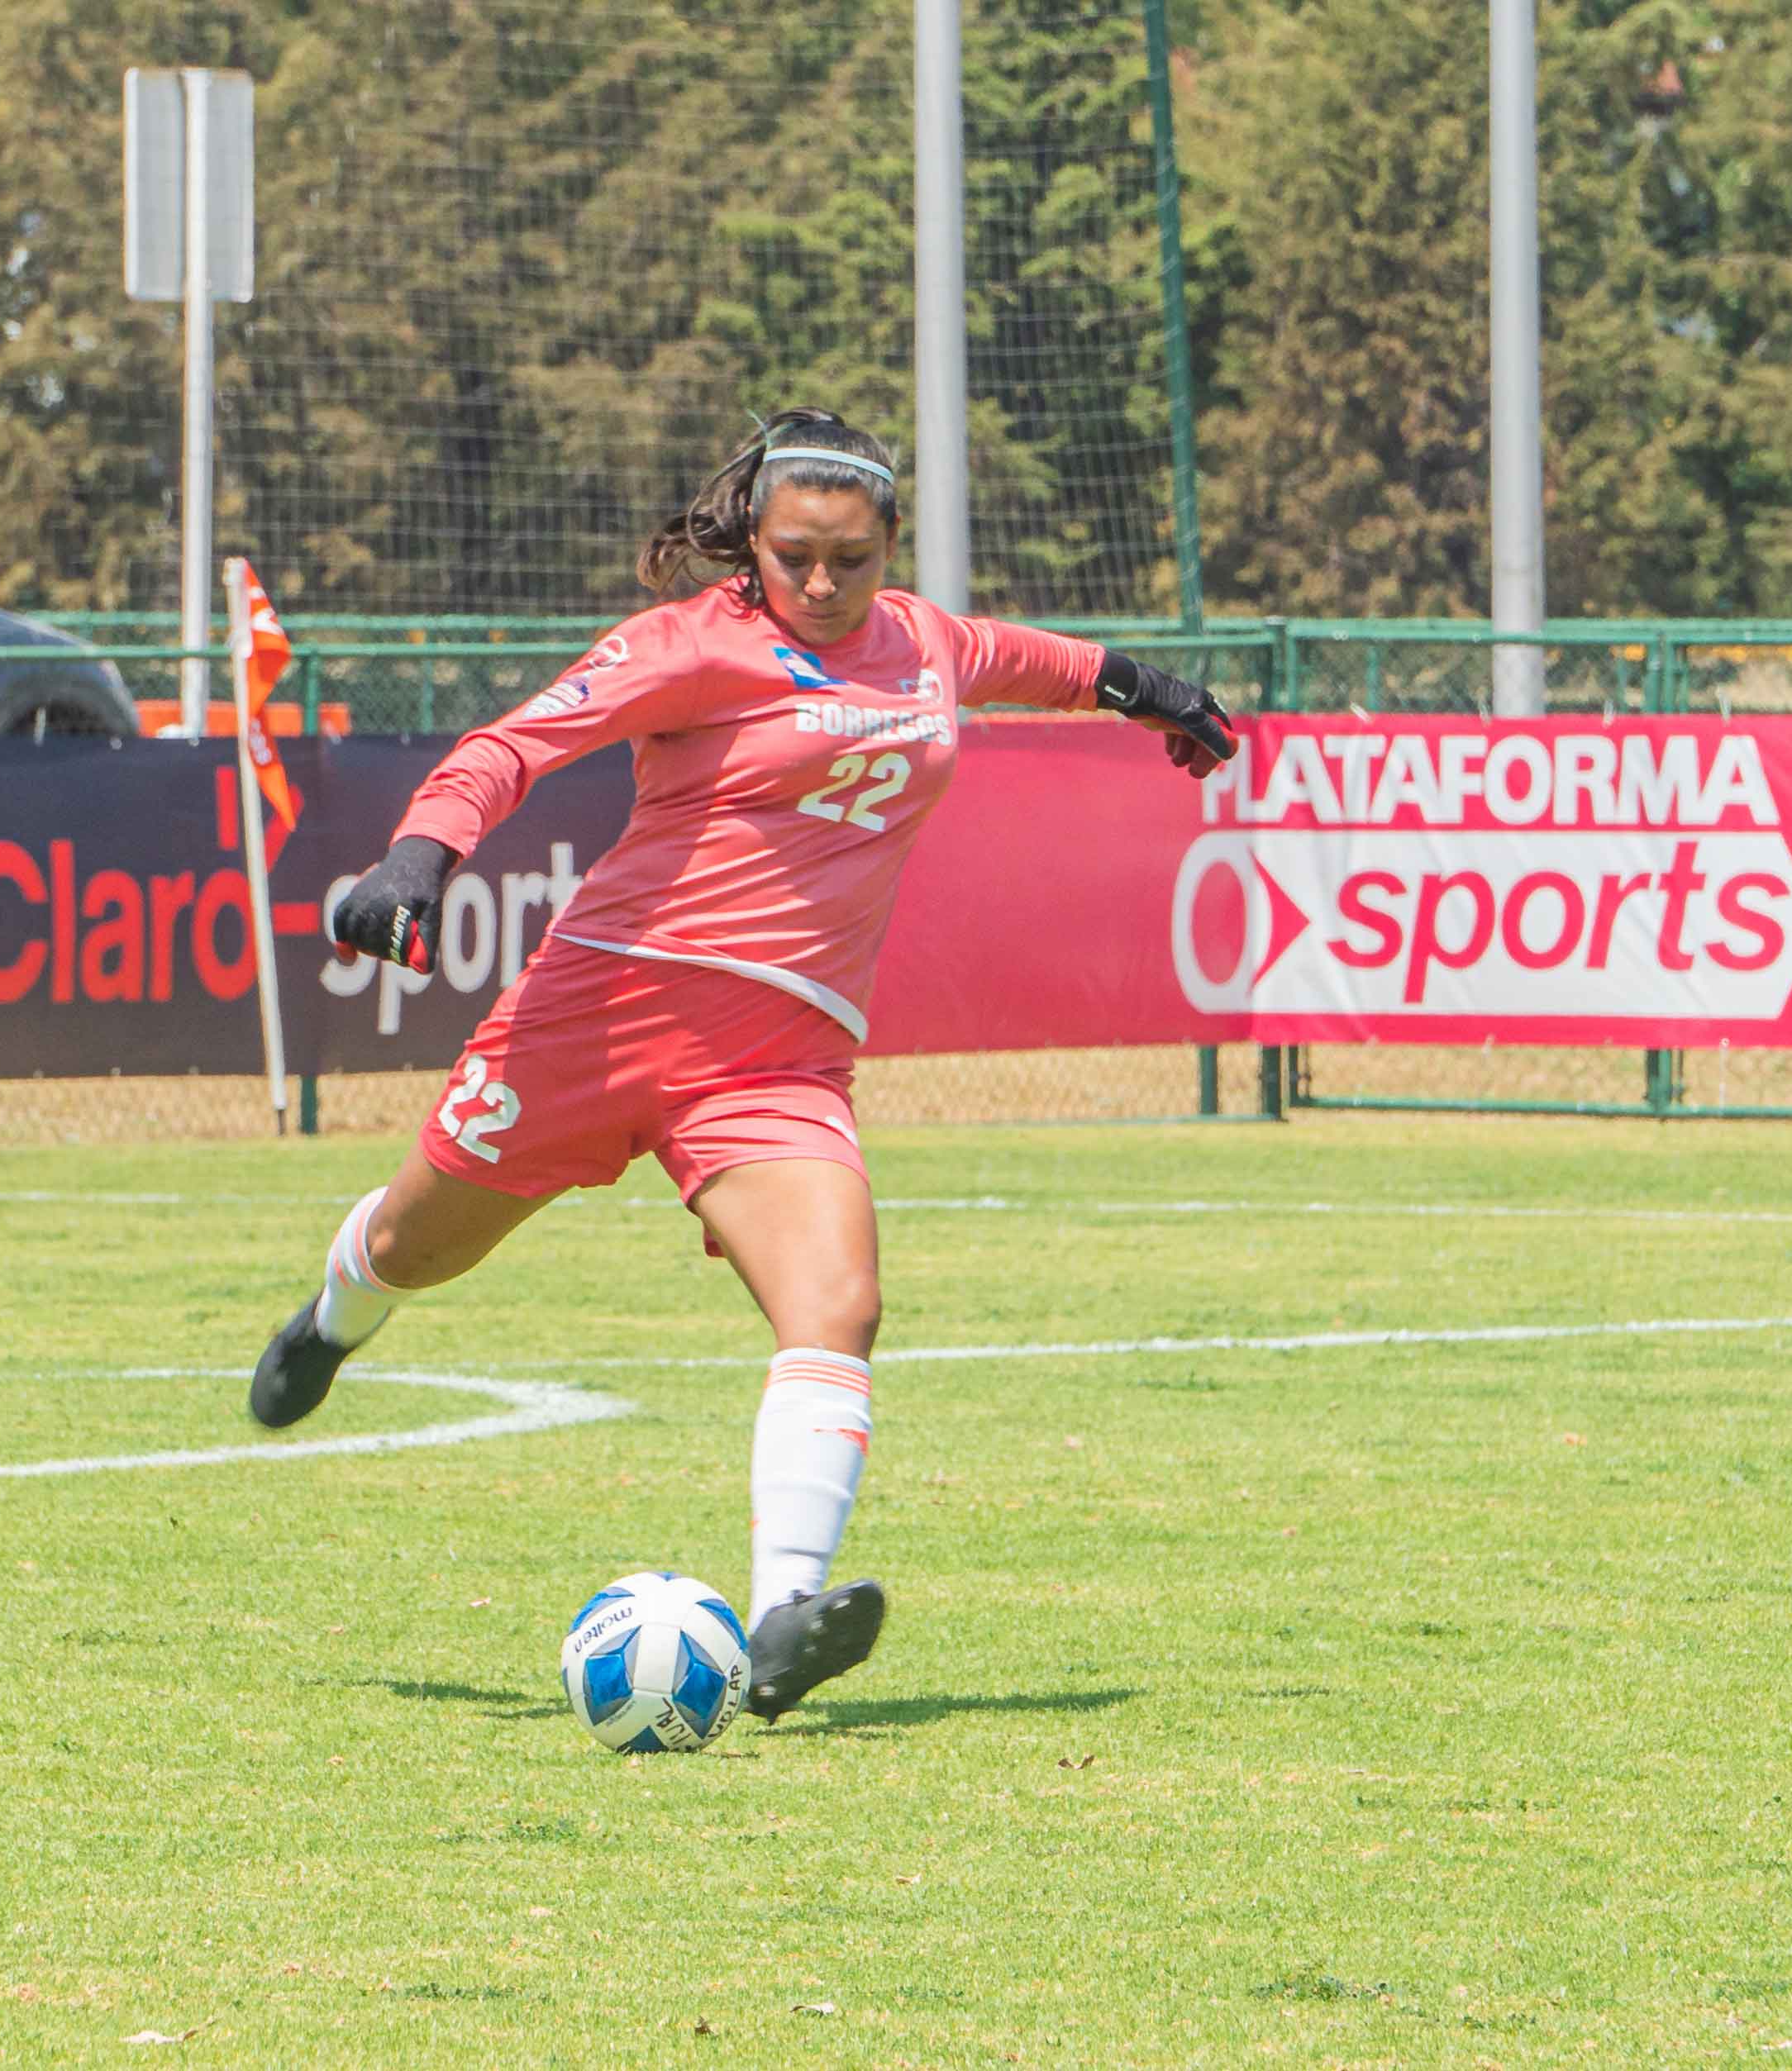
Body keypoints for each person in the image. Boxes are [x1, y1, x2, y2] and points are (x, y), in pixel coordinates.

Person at [250, 407, 1237, 1721]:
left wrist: (1151, 692)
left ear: (891, 539)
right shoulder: (692, 643)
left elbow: (1033, 661)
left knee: (837, 1304)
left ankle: (781, 1616)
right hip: (597, 1022)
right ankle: (334, 1315)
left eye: (847, 558)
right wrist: (418, 858)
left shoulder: (923, 641)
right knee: (420, 1246)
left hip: (779, 1057)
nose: (818, 585)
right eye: (791, 558)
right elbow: (514, 746)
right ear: (752, 542)